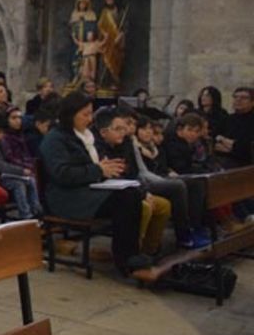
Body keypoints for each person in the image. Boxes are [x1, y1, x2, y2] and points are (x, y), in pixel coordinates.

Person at [39, 92, 147, 274]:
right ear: (70, 114)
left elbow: (93, 167)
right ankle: (125, 259)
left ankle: (132, 253)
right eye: (85, 114)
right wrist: (98, 170)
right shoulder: (55, 139)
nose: (90, 120)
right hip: (66, 198)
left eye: (91, 114)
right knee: (125, 199)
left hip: (86, 191)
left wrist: (107, 169)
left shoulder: (85, 136)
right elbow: (63, 174)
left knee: (133, 192)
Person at [94, 108, 171, 256]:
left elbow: (133, 173)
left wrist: (144, 192)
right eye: (118, 129)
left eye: (124, 128)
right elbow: (111, 178)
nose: (123, 132)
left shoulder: (126, 144)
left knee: (164, 206)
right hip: (112, 195)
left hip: (132, 190)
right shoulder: (97, 147)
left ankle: (150, 250)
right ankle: (135, 250)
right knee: (145, 208)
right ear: (104, 132)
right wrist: (141, 195)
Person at [133, 115, 211, 249]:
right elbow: (143, 172)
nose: (148, 132)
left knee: (197, 182)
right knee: (178, 185)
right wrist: (167, 177)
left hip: (162, 177)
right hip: (147, 181)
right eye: (143, 129)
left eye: (150, 129)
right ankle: (183, 234)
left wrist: (169, 172)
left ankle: (197, 227)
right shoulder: (135, 147)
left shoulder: (156, 147)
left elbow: (164, 167)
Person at [0, 112, 43, 219]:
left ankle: (36, 210)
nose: (1, 135)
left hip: (5, 173)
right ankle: (26, 215)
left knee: (30, 179)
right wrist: (20, 171)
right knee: (18, 184)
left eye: (2, 132)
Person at [219, 86, 252, 168]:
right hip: (223, 160)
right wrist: (234, 146)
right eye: (235, 97)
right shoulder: (227, 119)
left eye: (244, 98)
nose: (238, 100)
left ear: (252, 102)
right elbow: (216, 141)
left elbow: (248, 149)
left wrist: (224, 141)